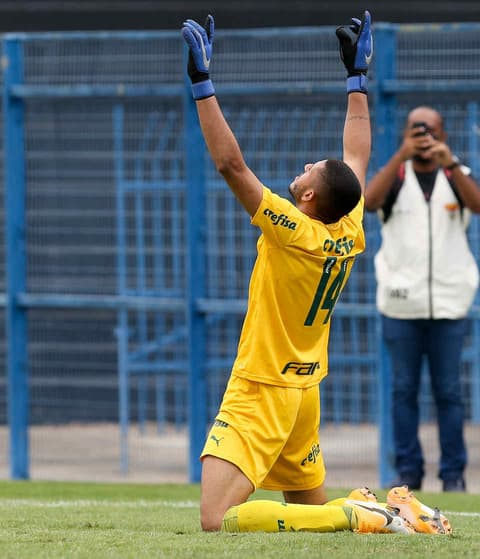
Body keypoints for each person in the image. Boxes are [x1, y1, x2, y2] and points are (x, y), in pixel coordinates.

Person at [180, 10, 451, 535]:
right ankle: (397, 513)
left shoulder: (293, 229)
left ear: (306, 198)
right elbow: (356, 153)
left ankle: (360, 510)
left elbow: (231, 167)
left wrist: (202, 84)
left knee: (217, 519)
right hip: (305, 389)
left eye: (308, 171)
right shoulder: (348, 228)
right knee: (307, 515)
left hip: (263, 386)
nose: (303, 167)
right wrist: (357, 81)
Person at [364, 106, 480, 493]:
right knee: (403, 390)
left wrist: (454, 164)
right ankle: (408, 473)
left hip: (448, 305)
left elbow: (478, 204)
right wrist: (400, 154)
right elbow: (367, 201)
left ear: (442, 134)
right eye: (417, 130)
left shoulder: (456, 176)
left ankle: (453, 475)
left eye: (430, 130)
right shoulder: (396, 176)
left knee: (449, 392)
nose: (424, 137)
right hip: (401, 305)